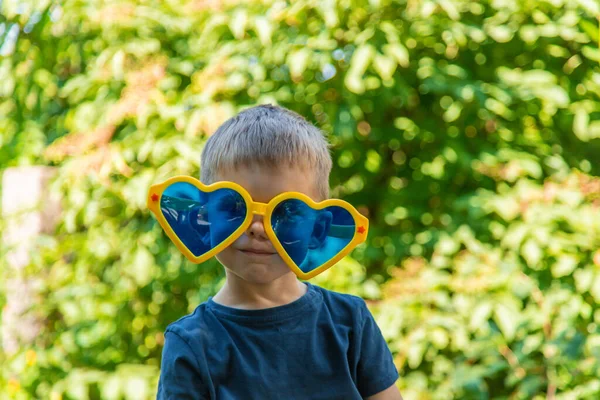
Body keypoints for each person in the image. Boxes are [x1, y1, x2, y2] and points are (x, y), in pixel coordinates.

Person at [156, 104, 403, 399]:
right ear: (204, 217)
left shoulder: (350, 322)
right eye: (236, 206)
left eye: (286, 211)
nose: (258, 228)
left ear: (317, 229)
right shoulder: (191, 344)